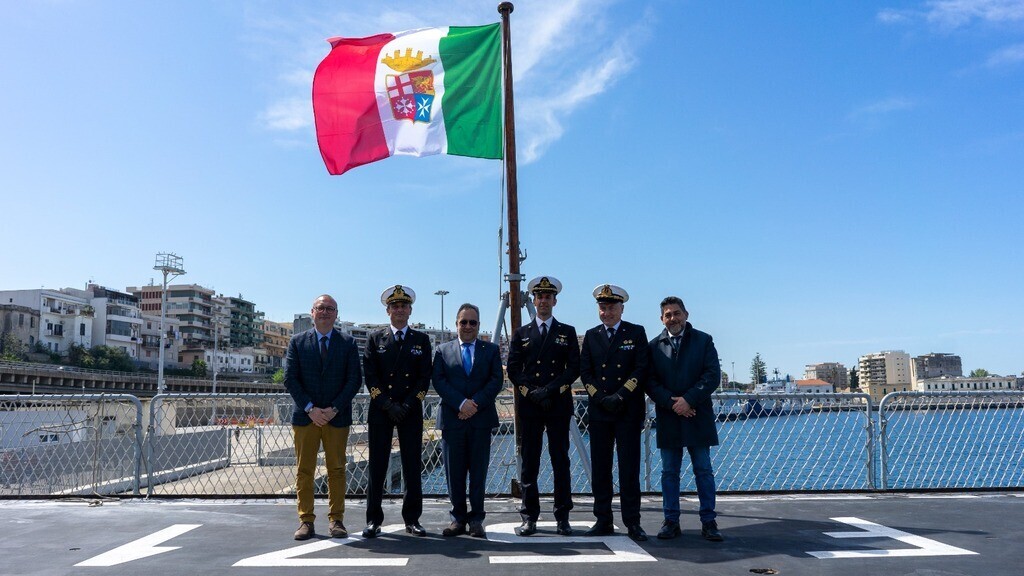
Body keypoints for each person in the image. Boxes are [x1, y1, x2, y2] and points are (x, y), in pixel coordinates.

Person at [284, 294, 362, 540]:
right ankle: (306, 521)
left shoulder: (348, 343)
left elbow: (354, 380)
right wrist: (311, 409)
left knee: (337, 469)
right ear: (312, 312)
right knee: (304, 470)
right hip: (306, 417)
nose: (325, 312)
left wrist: (334, 409)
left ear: (336, 314)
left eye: (330, 308)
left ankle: (336, 520)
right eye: (321, 308)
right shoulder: (297, 342)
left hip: (336, 417)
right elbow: (290, 379)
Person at [506, 276, 580, 536]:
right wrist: (532, 392)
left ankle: (563, 516)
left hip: (557, 403)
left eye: (548, 297)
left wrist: (550, 390)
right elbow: (514, 370)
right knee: (530, 462)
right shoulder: (522, 334)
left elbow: (573, 368)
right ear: (535, 300)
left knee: (560, 461)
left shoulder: (567, 332)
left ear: (555, 301)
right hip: (531, 405)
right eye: (539, 297)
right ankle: (529, 516)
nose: (543, 301)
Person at [647, 296, 724, 541]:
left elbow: (712, 375)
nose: (673, 318)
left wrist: (688, 400)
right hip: (669, 416)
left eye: (677, 313)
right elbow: (650, 382)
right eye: (668, 315)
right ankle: (671, 521)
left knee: (703, 470)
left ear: (686, 314)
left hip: (697, 415)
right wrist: (674, 404)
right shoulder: (653, 346)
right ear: (662, 319)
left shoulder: (703, 340)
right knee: (669, 472)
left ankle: (709, 521)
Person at [580, 284, 650, 542]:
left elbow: (641, 369)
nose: (607, 312)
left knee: (629, 469)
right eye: (603, 307)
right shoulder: (591, 335)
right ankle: (603, 519)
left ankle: (633, 522)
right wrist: (600, 397)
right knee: (601, 469)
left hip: (627, 409)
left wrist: (620, 395)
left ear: (622, 308)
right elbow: (585, 372)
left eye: (611, 307)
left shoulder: (636, 332)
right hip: (600, 412)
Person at [362, 285, 432, 538]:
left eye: (404, 306)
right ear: (388, 311)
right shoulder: (375, 339)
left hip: (410, 410)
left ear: (410, 310)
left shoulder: (421, 340)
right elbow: (370, 376)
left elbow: (424, 378)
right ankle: (373, 520)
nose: (399, 310)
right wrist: (387, 404)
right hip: (382, 409)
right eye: (395, 306)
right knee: (377, 466)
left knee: (412, 466)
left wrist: (407, 405)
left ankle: (412, 519)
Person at [431, 303, 503, 538]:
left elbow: (496, 381)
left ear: (479, 325)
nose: (468, 326)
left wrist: (474, 404)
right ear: (456, 324)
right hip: (453, 420)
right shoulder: (442, 350)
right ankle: (458, 519)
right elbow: (439, 381)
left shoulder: (491, 350)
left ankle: (476, 520)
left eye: (473, 322)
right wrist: (461, 404)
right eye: (464, 322)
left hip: (480, 420)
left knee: (478, 473)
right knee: (454, 473)